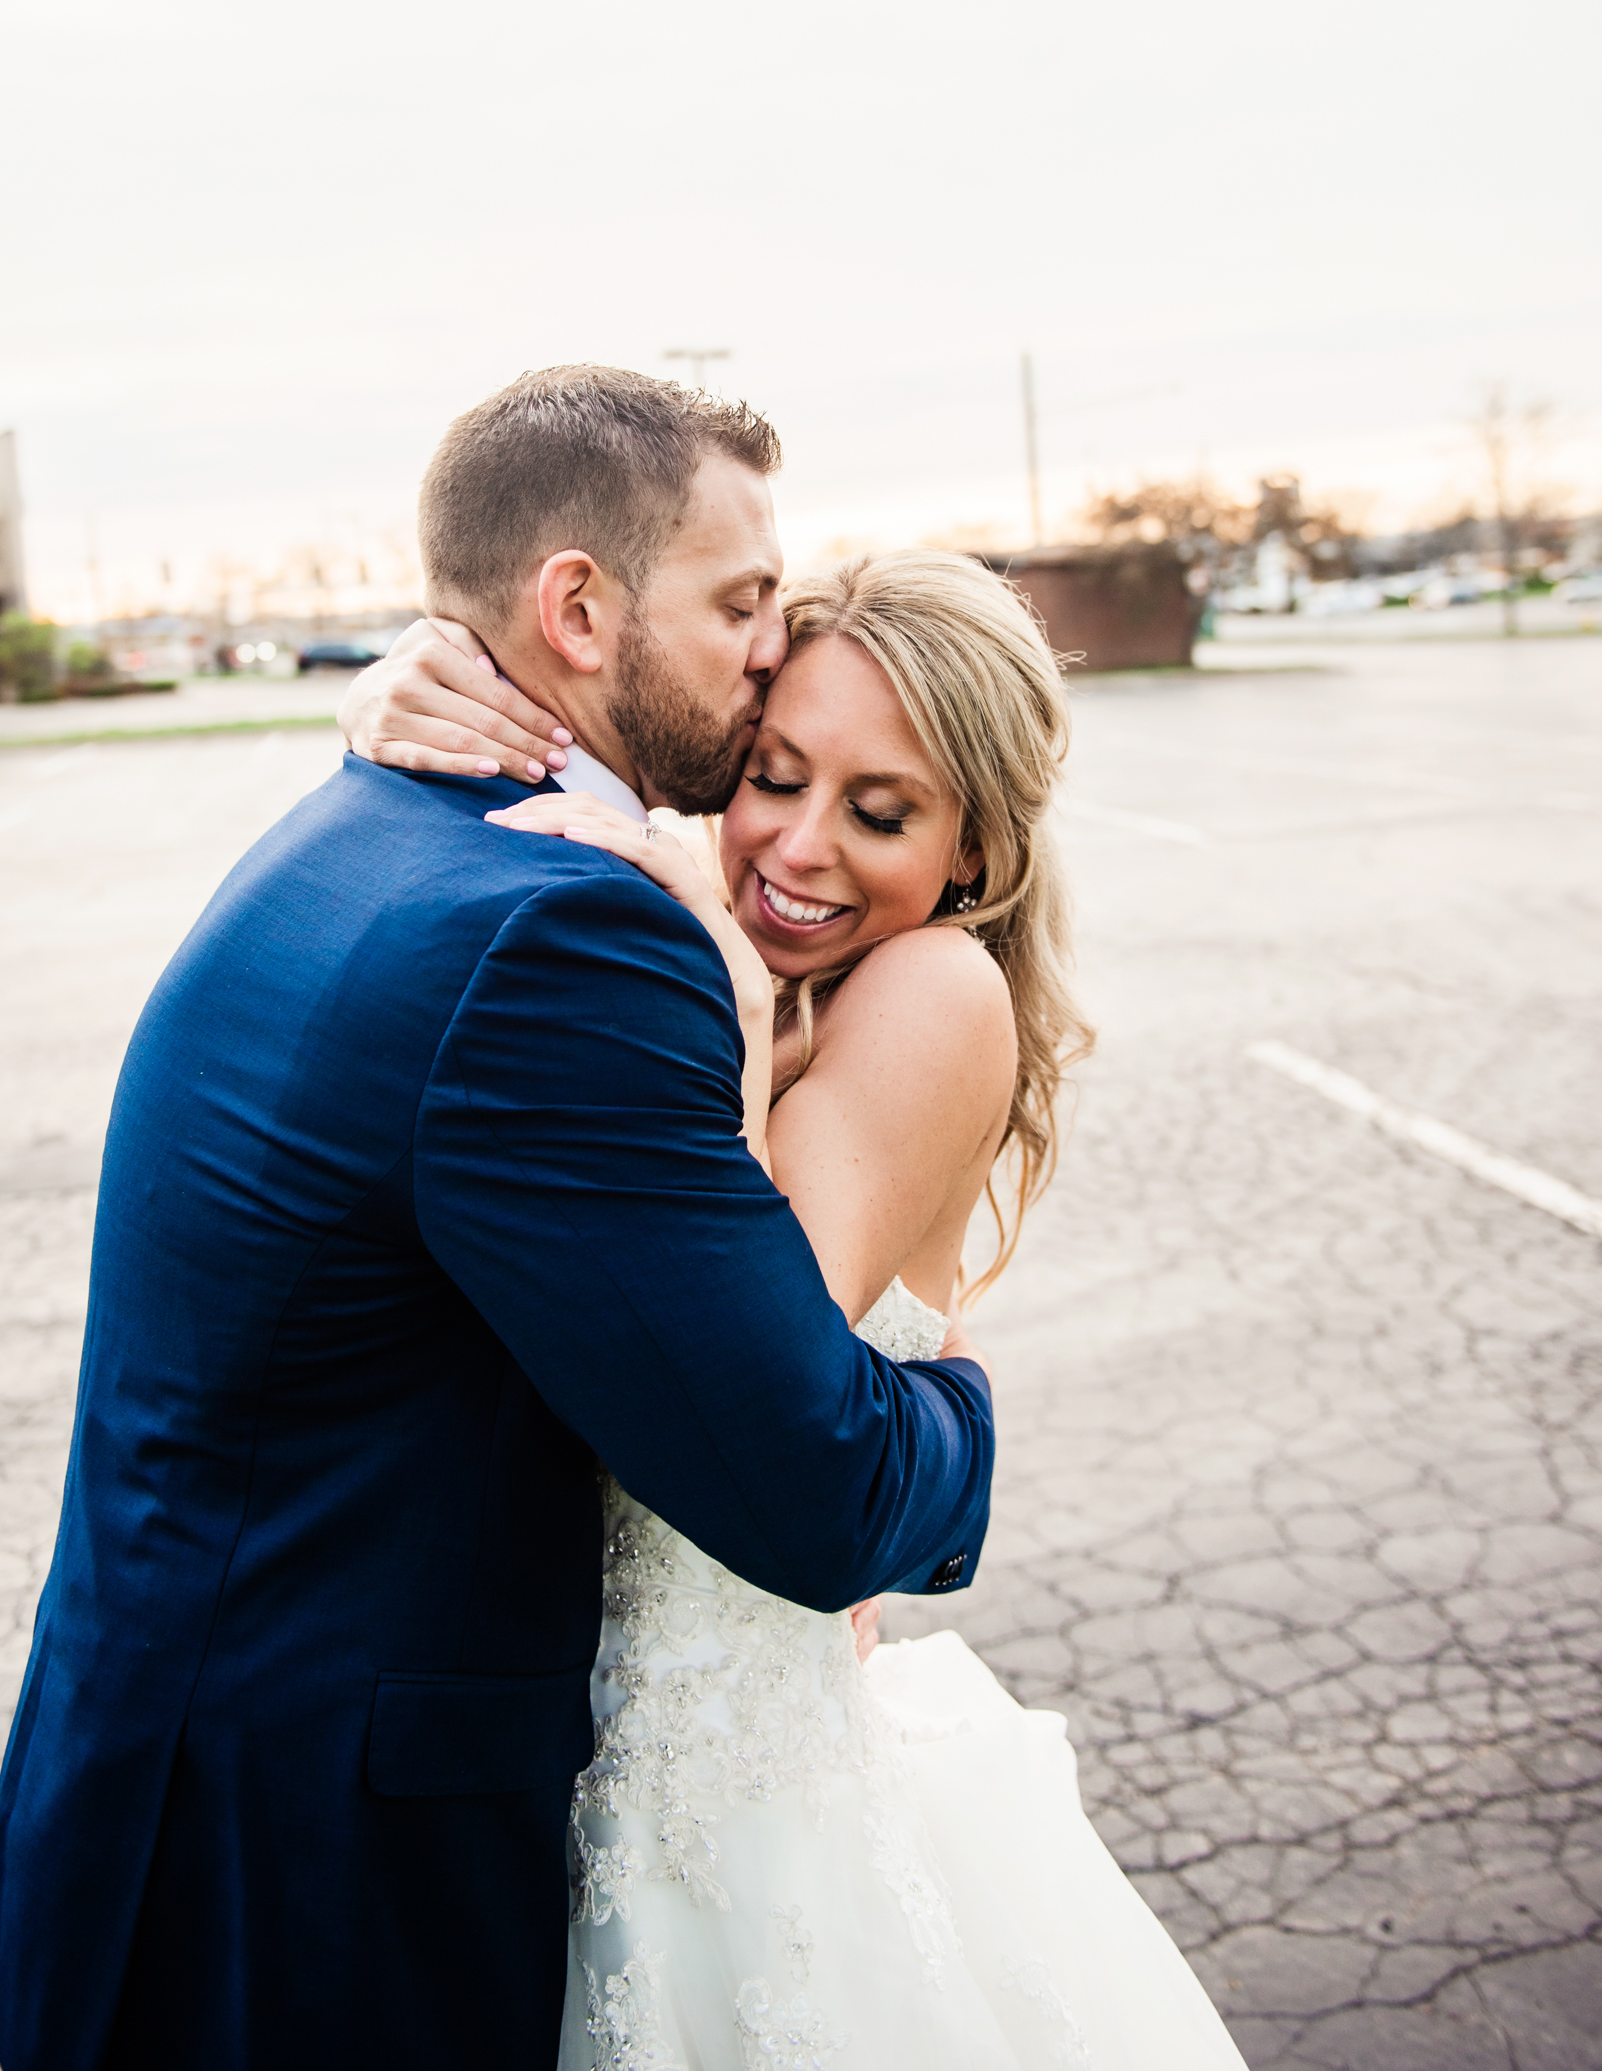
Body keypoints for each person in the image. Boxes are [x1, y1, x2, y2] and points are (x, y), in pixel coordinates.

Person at [0, 367, 996, 2071]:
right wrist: (962, 1404)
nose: (769, 645)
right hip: (310, 1878)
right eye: (740, 603)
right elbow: (818, 1487)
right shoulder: (561, 936)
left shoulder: (374, 821)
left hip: (172, 1761)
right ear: (579, 607)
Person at [344, 546, 1249, 2066]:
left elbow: (746, 1334)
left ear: (970, 854)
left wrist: (731, 985)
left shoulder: (929, 994)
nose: (802, 848)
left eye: (882, 812)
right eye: (774, 776)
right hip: (582, 1752)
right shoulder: (725, 933)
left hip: (736, 1796)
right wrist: (403, 678)